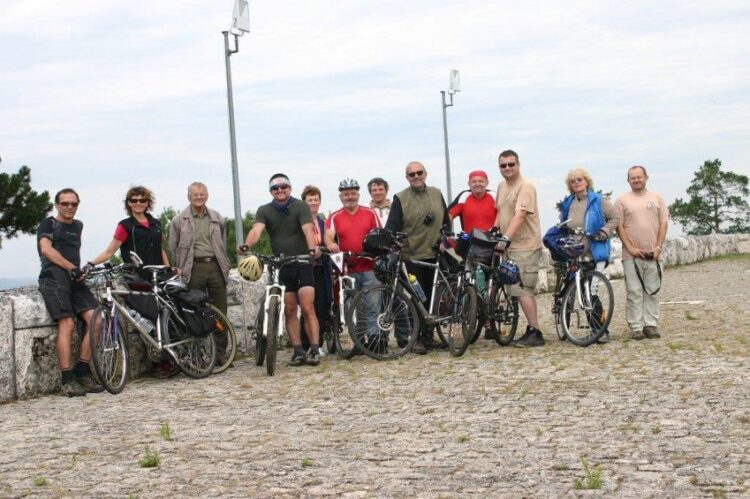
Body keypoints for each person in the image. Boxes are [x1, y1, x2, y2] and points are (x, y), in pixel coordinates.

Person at [88, 185, 176, 377]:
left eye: (142, 200)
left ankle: (171, 358)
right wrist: (90, 264)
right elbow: (110, 251)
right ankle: (159, 360)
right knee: (144, 321)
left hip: (157, 276)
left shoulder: (156, 223)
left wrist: (168, 269)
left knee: (165, 317)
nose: (138, 204)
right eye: (133, 200)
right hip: (136, 278)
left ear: (148, 202)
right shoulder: (125, 226)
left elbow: (160, 249)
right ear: (128, 204)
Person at [243, 173, 321, 366]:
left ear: (290, 188)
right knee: (290, 310)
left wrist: (312, 249)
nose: (280, 191)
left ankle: (315, 348)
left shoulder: (300, 206)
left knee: (308, 306)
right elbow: (257, 230)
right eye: (275, 188)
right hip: (283, 265)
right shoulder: (265, 210)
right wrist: (246, 245)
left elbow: (308, 229)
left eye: (283, 187)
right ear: (271, 191)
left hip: (302, 262)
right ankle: (298, 351)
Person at [37, 188, 103, 397]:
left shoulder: (78, 226)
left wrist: (77, 271)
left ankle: (83, 371)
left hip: (75, 278)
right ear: (57, 205)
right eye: (65, 203)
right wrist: (71, 267)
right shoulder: (48, 224)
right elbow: (46, 250)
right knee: (67, 323)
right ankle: (67, 379)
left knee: (96, 319)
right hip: (54, 277)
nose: (69, 207)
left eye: (73, 204)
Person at [385, 161, 449, 354]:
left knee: (432, 298)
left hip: (434, 254)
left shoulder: (437, 194)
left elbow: (446, 220)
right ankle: (418, 338)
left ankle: (429, 336)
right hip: (411, 256)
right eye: (411, 174)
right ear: (407, 178)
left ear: (425, 174)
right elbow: (392, 226)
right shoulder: (401, 198)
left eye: (419, 173)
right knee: (416, 299)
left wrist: (446, 239)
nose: (416, 177)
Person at [558, 168, 619, 343]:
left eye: (579, 179)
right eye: (573, 181)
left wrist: (604, 231)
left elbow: (615, 217)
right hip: (576, 252)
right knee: (582, 294)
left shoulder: (599, 200)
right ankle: (592, 327)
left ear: (587, 181)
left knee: (592, 291)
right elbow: (564, 223)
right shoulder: (569, 203)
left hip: (595, 251)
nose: (576, 183)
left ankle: (600, 330)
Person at [493, 150, 545, 347]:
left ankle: (535, 331)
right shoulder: (501, 186)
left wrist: (506, 238)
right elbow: (501, 211)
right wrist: (495, 228)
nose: (507, 168)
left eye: (511, 164)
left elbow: (520, 214)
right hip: (510, 247)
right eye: (503, 165)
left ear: (518, 164)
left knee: (522, 289)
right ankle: (529, 328)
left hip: (525, 245)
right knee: (514, 288)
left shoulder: (525, 186)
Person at [325, 178, 381, 348]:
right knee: (355, 308)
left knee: (373, 304)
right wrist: (331, 244)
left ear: (358, 194)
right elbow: (329, 235)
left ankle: (375, 338)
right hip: (348, 268)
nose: (350, 197)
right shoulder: (335, 216)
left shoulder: (369, 213)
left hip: (370, 266)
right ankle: (358, 339)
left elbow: (378, 233)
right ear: (341, 196)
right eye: (346, 194)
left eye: (353, 193)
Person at [615, 165, 669, 340]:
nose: (636, 180)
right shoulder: (622, 201)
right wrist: (630, 247)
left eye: (639, 177)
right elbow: (619, 226)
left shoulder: (657, 198)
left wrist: (658, 247)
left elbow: (663, 223)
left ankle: (650, 324)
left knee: (652, 290)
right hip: (631, 254)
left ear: (646, 177)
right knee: (634, 291)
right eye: (633, 178)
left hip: (653, 252)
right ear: (628, 180)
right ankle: (636, 326)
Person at [169, 182, 231, 314]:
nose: (199, 197)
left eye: (202, 194)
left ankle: (222, 335)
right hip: (193, 268)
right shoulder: (179, 220)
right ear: (189, 197)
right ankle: (200, 335)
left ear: (207, 196)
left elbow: (223, 244)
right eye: (195, 194)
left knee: (220, 307)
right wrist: (179, 266)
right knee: (195, 307)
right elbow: (173, 247)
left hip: (216, 266)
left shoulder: (217, 217)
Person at [301, 185, 333, 356]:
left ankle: (318, 343)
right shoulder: (300, 221)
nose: (313, 202)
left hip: (321, 268)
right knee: (307, 307)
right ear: (304, 202)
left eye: (316, 199)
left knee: (321, 306)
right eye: (310, 200)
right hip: (305, 268)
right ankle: (305, 344)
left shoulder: (323, 222)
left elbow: (329, 240)